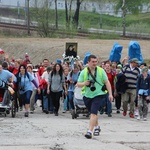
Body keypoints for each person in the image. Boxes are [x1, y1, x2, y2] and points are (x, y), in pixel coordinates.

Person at [77, 55, 113, 139]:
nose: (94, 63)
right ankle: (97, 126)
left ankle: (89, 131)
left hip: (99, 94)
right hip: (87, 95)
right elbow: (78, 84)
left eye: (95, 61)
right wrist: (84, 83)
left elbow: (107, 82)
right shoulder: (84, 72)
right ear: (88, 62)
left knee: (93, 112)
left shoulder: (101, 71)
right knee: (93, 113)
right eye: (92, 62)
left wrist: (110, 94)